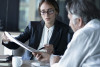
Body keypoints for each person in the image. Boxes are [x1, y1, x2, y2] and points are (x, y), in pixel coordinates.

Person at [33, 0, 100, 66]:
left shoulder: (83, 34)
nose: (69, 24)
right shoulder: (96, 29)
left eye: (70, 19)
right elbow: (77, 57)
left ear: (79, 21)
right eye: (43, 12)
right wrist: (51, 58)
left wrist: (53, 63)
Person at [2, 0, 71, 61]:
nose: (46, 15)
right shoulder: (32, 26)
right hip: (30, 62)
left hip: (50, 63)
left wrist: (54, 51)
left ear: (56, 11)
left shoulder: (64, 29)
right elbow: (16, 44)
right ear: (40, 13)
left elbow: (67, 53)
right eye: (43, 11)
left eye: (50, 11)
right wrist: (6, 41)